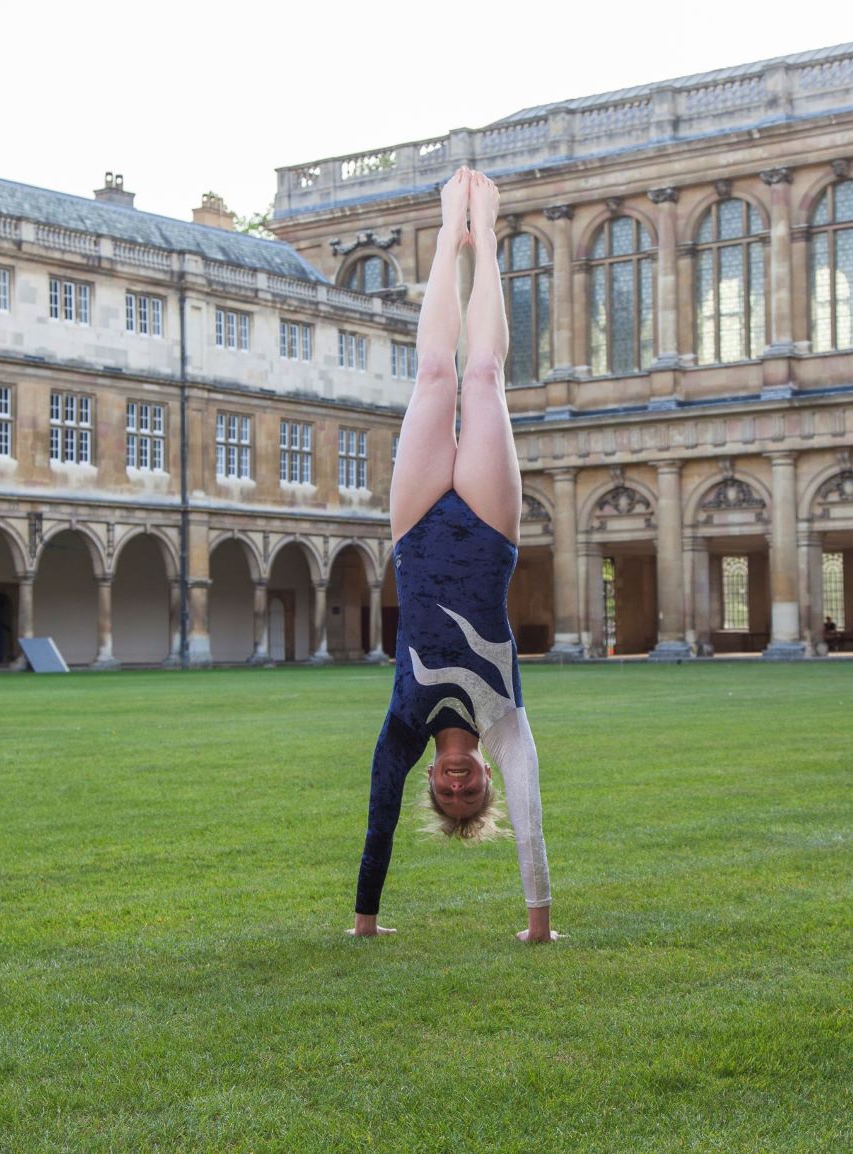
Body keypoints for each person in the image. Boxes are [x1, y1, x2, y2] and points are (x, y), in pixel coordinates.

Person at [350, 168, 555, 943]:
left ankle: (446, 234)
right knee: (484, 376)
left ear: (431, 782)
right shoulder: (505, 724)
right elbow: (530, 819)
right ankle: (486, 233)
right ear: (486, 781)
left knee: (435, 372)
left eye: (448, 794)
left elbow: (378, 817)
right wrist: (539, 925)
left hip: (414, 531)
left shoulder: (405, 726)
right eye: (473, 795)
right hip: (490, 533)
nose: (460, 786)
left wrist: (365, 924)